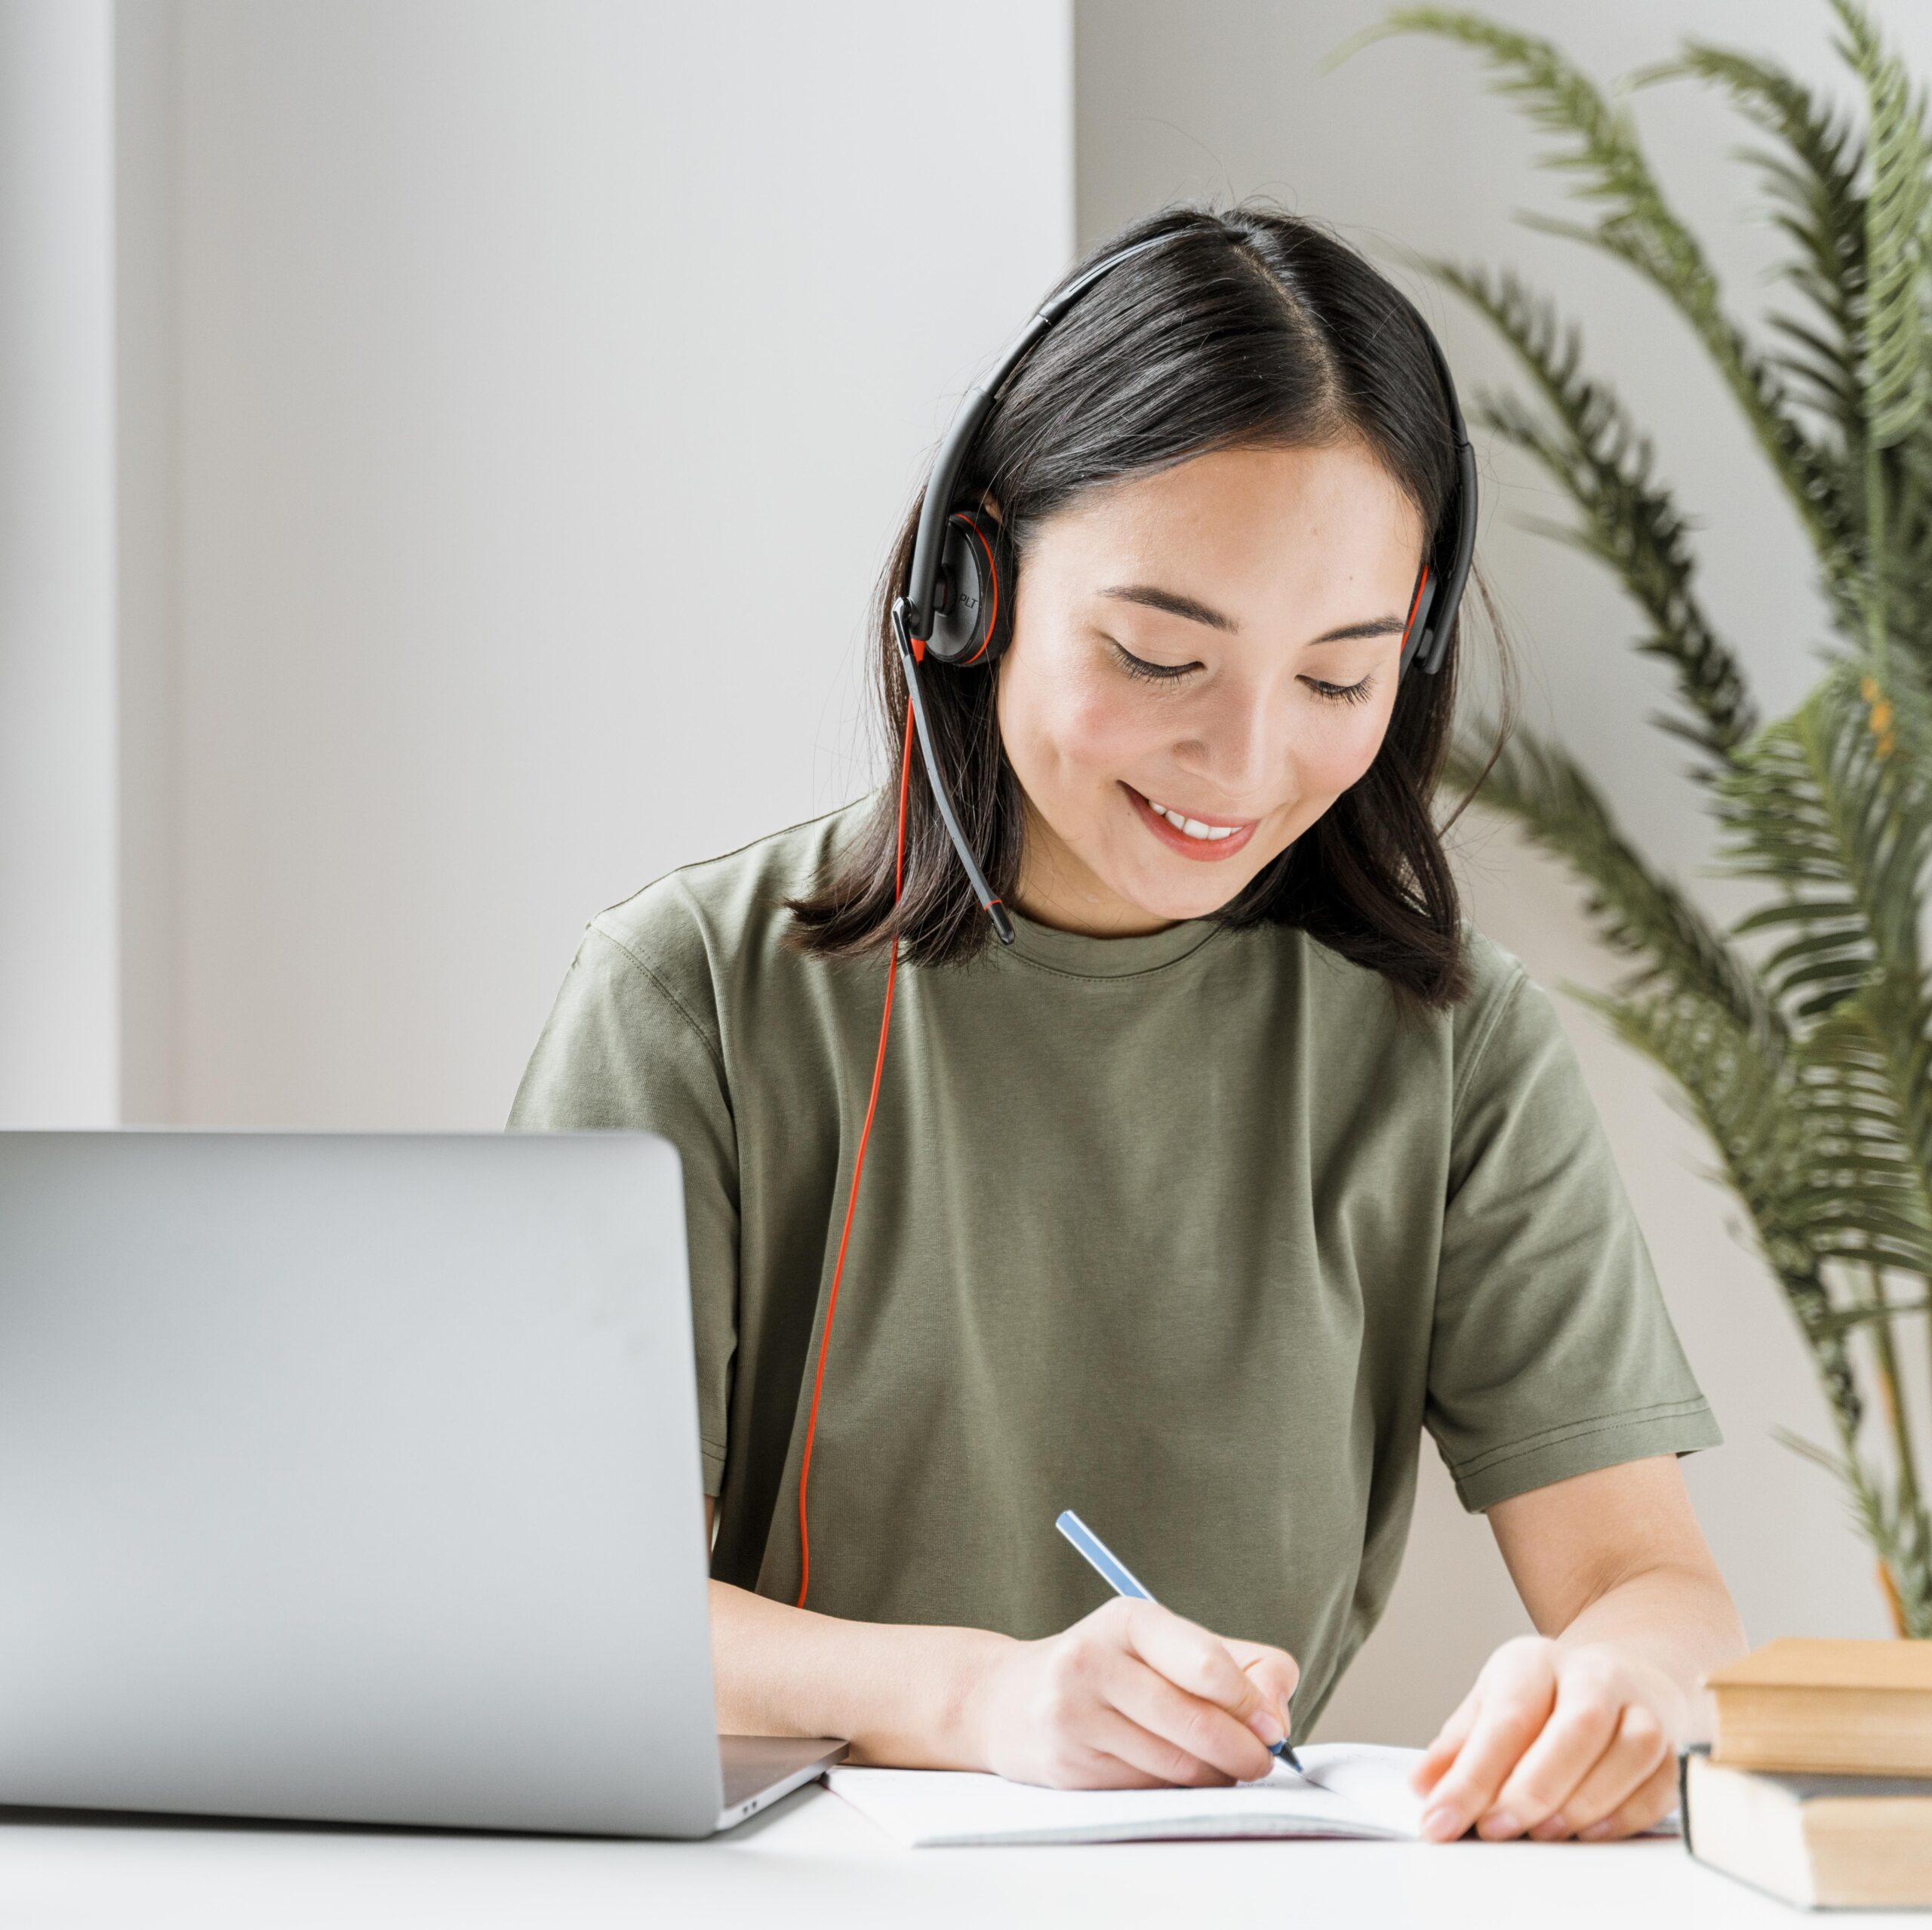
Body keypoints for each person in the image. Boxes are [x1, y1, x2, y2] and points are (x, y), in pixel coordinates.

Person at [509, 202, 1746, 1844]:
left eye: (1332, 681)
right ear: (973, 585)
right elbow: (552, 1615)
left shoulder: (1448, 1043)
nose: (1241, 769)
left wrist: (1630, 1685)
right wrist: (983, 1695)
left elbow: (1643, 1582)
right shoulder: (694, 996)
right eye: (1158, 653)